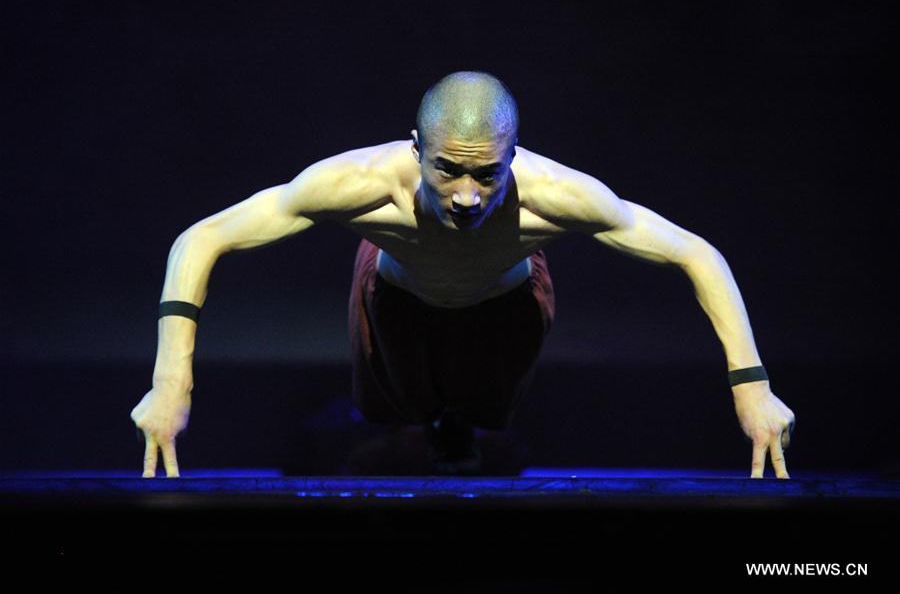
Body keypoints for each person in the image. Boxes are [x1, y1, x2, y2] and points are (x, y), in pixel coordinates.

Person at [131, 70, 795, 479]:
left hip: (503, 304)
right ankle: (420, 422)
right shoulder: (359, 185)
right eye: (448, 170)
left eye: (488, 173)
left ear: (514, 155)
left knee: (485, 416)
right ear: (417, 150)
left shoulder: (559, 195)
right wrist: (171, 382)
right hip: (396, 298)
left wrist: (751, 387)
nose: (469, 196)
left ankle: (459, 422)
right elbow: (202, 238)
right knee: (389, 415)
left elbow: (697, 253)